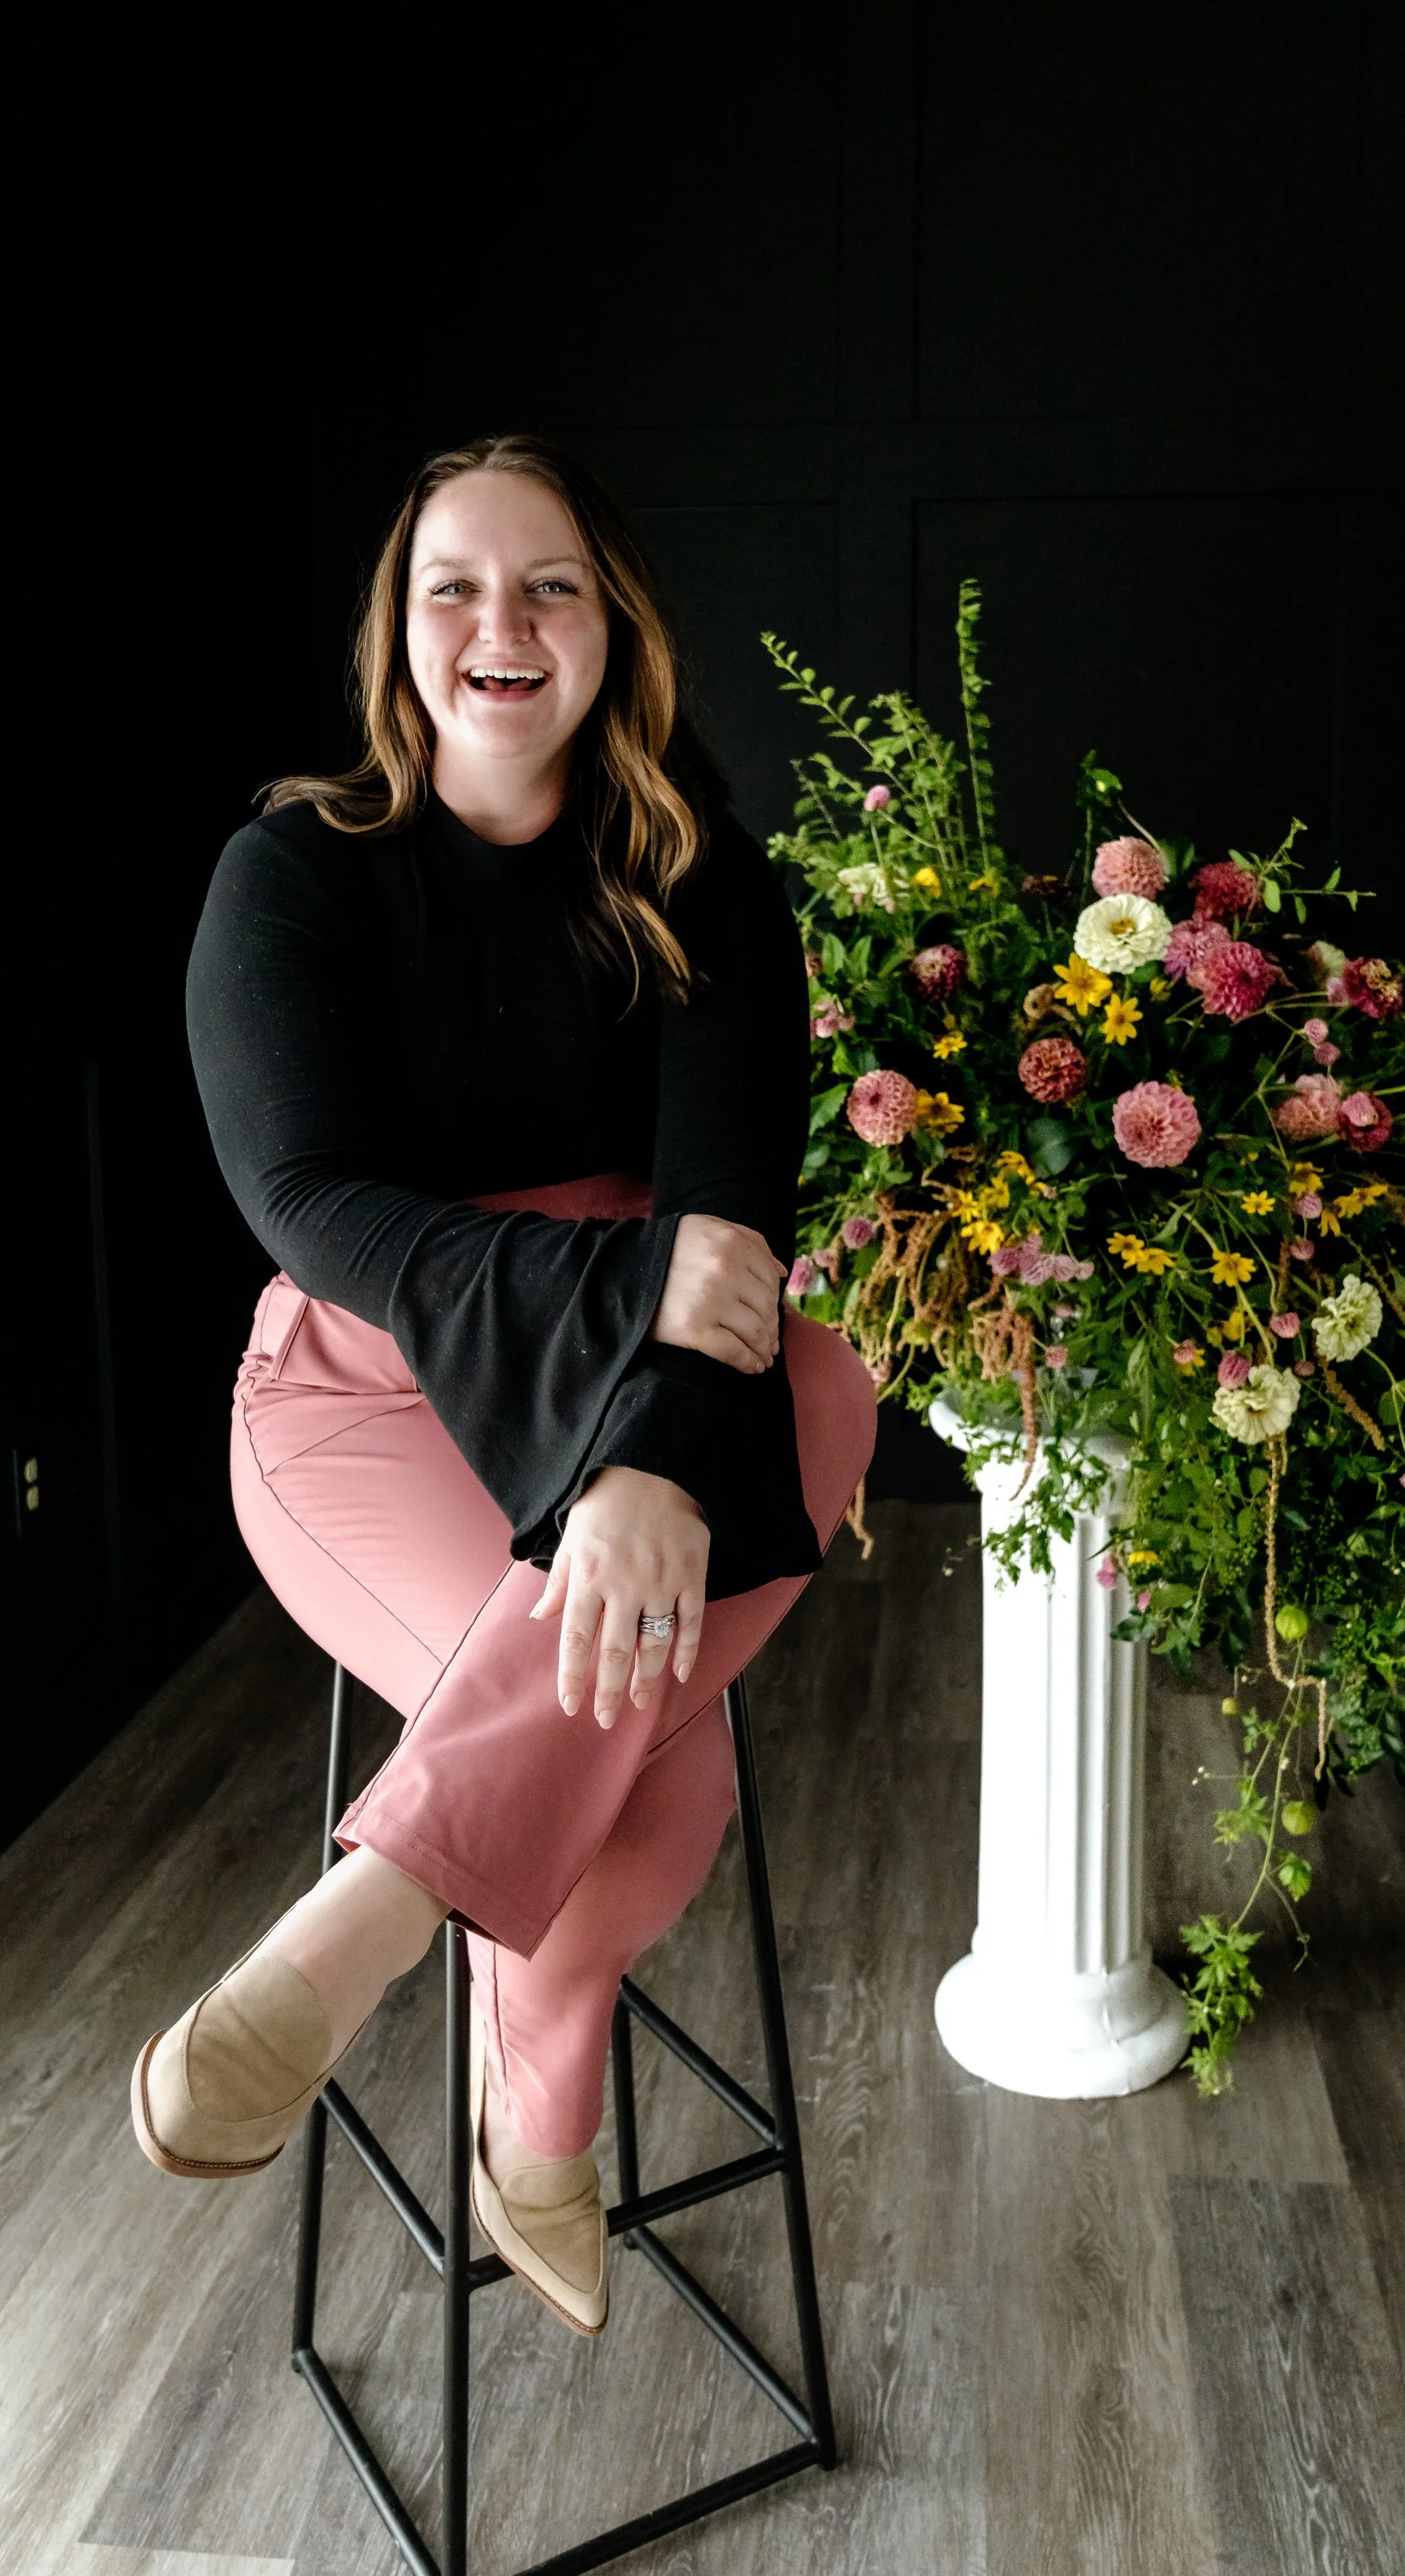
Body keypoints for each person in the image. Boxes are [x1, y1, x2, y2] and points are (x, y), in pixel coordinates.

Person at [134, 434, 878, 2338]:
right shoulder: (288, 875)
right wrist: (628, 1282)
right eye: (453, 584)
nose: (503, 623)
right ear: (398, 629)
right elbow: (314, 1208)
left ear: (611, 625)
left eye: (549, 584)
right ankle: (537, 2121)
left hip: (679, 1370)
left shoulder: (704, 880)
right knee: (647, 1761)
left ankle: (376, 1915)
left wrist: (643, 1458)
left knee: (818, 1377)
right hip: (368, 1386)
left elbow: (731, 1228)